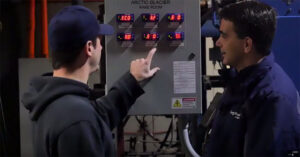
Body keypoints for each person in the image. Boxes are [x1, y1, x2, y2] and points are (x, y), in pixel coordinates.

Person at [21, 5, 160, 156]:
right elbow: (86, 119)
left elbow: (99, 114)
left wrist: (132, 79)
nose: (101, 47)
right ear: (89, 48)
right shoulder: (78, 119)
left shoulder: (52, 101)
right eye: (99, 40)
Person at [205, 1, 300, 156]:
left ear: (247, 45)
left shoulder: (273, 97)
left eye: (224, 36)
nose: (218, 42)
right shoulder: (241, 81)